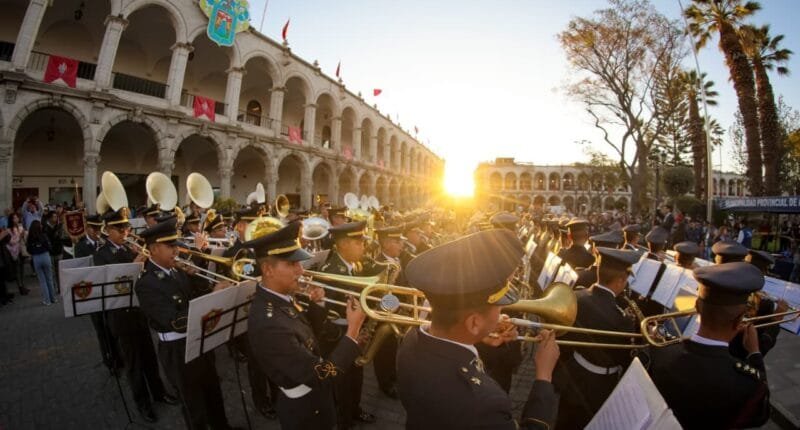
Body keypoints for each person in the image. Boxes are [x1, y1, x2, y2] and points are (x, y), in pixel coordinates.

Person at [397, 228, 560, 429]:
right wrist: (544, 377)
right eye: (498, 305)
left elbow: (447, 352)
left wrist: (479, 337)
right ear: (473, 323)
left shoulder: (411, 339)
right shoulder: (485, 403)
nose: (502, 311)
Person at [245, 222, 365, 429]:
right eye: (291, 264)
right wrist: (352, 332)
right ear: (267, 269)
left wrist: (317, 305)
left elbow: (308, 337)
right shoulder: (269, 322)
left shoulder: (281, 298)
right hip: (305, 410)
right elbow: (322, 376)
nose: (300, 270)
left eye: (299, 263)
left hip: (312, 400)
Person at [134, 217, 236, 430]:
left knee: (213, 391)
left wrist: (198, 277)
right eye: (170, 246)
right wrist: (214, 297)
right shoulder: (146, 283)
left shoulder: (179, 271)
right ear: (153, 249)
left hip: (200, 340)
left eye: (176, 245)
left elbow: (198, 295)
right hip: (177, 349)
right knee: (193, 403)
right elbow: (175, 322)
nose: (176, 250)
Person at [649, 263, 771, 428]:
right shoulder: (747, 382)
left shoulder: (659, 352)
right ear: (739, 320)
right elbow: (760, 415)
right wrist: (755, 354)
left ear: (697, 306)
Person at [94, 208, 177, 423]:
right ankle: (142, 403)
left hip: (140, 312)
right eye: (119, 228)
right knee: (134, 364)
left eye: (126, 227)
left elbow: (149, 277)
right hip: (121, 317)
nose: (124, 232)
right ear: (108, 230)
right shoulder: (101, 254)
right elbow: (111, 285)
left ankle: (159, 393)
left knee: (149, 357)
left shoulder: (133, 248)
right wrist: (134, 265)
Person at [552, 247, 641, 430]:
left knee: (565, 420)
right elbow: (624, 360)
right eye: (625, 281)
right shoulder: (622, 320)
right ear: (620, 281)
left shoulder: (576, 296)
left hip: (573, 375)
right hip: (599, 385)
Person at [318, 221, 376, 427]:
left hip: (352, 330)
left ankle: (354, 409)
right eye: (358, 242)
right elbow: (321, 313)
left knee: (356, 375)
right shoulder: (330, 270)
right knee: (341, 381)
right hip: (337, 335)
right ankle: (343, 420)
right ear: (343, 245)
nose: (363, 246)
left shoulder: (355, 265)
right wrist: (344, 333)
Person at [74, 214, 122, 373]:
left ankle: (118, 356)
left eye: (98, 229)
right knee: (101, 329)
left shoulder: (103, 242)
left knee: (112, 327)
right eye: (94, 229)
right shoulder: (81, 246)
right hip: (93, 293)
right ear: (87, 228)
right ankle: (109, 360)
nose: (97, 232)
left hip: (106, 290)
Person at [26, 220, 57, 306]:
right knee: (49, 279)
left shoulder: (30, 238)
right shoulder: (43, 235)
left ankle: (47, 301)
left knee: (42, 281)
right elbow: (49, 246)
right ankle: (53, 298)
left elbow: (28, 249)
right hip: (45, 256)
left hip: (36, 257)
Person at [5, 212, 30, 296]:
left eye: (17, 218)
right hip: (14, 251)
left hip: (21, 250)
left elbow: (25, 238)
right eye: (14, 218)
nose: (16, 219)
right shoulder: (8, 230)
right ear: (11, 220)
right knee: (17, 270)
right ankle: (20, 287)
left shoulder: (20, 226)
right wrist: (20, 236)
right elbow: (11, 242)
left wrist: (24, 234)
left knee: (22, 269)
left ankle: (23, 285)